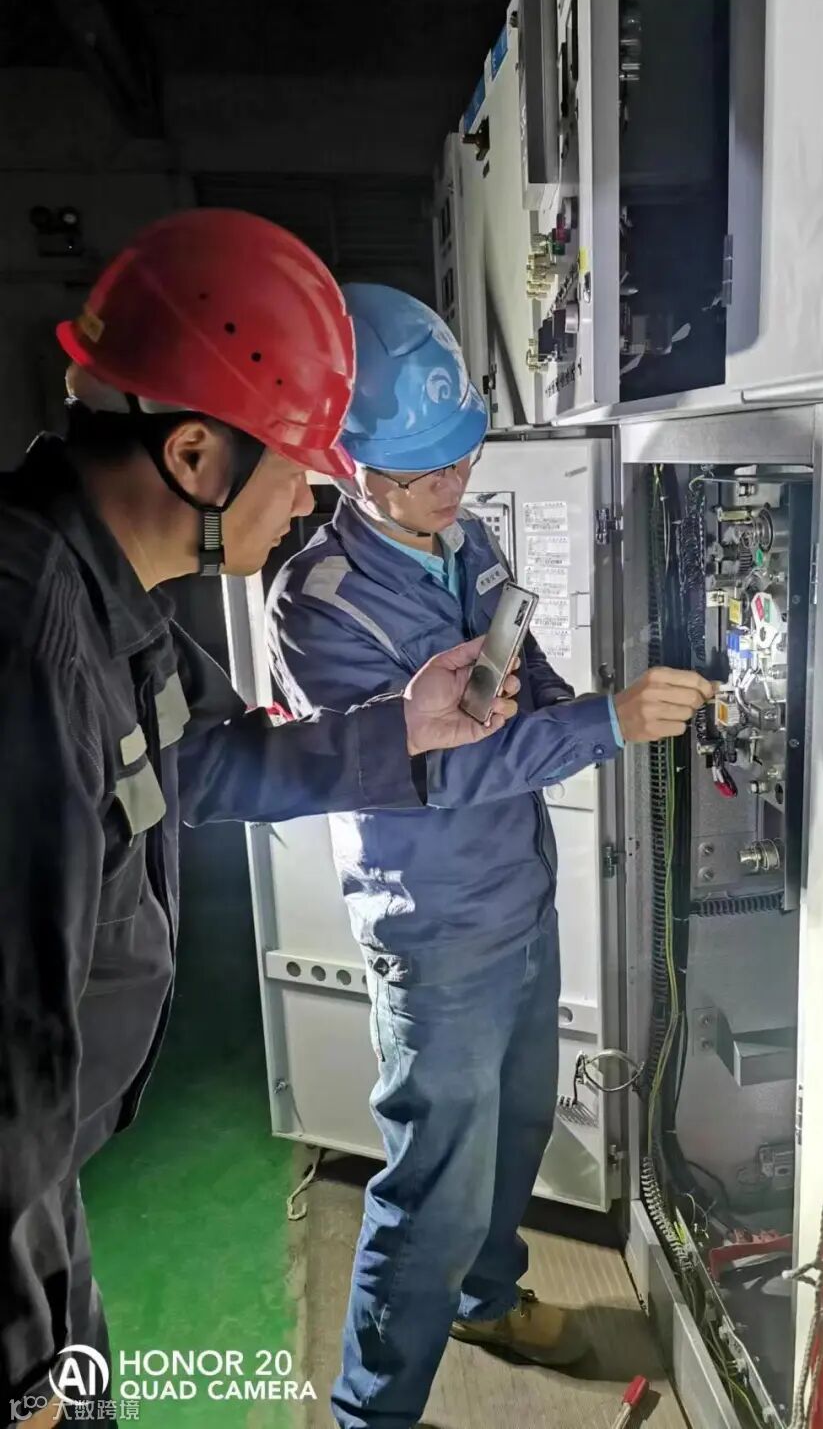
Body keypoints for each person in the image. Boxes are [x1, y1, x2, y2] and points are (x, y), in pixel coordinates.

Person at [0, 215, 520, 1429]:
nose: (311, 498)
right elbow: (7, 1068)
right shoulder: (30, 645)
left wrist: (403, 725)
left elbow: (213, 758)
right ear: (195, 453)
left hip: (44, 1197)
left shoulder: (108, 600)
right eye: (297, 465)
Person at [266, 284, 715, 1429]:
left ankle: (487, 1297)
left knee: (515, 1131)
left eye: (463, 455)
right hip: (434, 927)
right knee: (433, 1185)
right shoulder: (318, 607)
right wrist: (606, 722)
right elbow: (432, 770)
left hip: (518, 894)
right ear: (353, 465)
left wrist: (578, 703)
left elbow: (529, 671)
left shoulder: (465, 538)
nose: (454, 484)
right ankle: (374, 1408)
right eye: (426, 470)